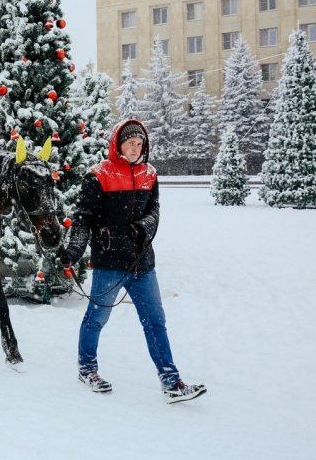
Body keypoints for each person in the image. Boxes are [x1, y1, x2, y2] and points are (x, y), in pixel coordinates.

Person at [60, 119, 206, 404]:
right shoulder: (98, 175)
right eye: (130, 143)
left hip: (142, 264)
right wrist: (74, 250)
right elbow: (83, 219)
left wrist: (142, 228)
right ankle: (87, 369)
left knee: (155, 321)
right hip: (109, 263)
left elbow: (155, 212)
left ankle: (171, 380)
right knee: (97, 318)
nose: (135, 148)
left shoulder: (150, 174)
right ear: (118, 144)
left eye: (140, 144)